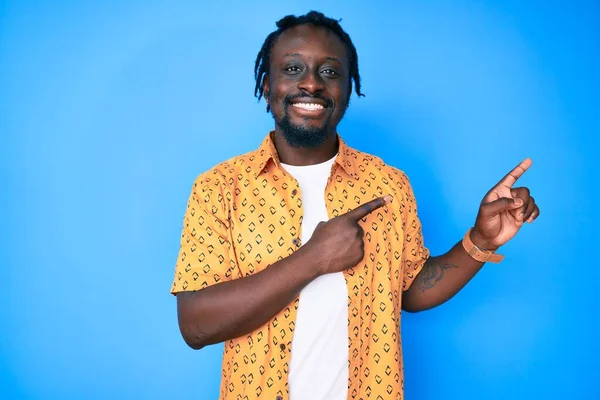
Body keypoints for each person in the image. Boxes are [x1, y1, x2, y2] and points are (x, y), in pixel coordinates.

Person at [170, 10, 539, 400]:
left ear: (348, 89)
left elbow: (410, 291)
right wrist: (313, 259)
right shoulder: (220, 188)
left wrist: (482, 240)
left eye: (329, 72)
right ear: (267, 85)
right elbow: (196, 325)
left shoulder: (388, 184)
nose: (311, 83)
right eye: (293, 68)